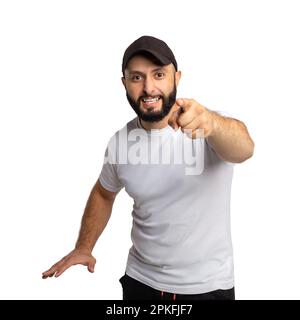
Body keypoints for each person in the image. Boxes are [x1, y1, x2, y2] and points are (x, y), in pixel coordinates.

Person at [42, 36, 254, 300]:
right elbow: (103, 193)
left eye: (159, 74)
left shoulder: (205, 125)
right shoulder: (120, 142)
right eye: (137, 77)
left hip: (207, 287)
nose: (149, 88)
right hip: (141, 283)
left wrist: (213, 123)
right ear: (125, 84)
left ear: (176, 78)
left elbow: (245, 148)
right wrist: (84, 245)